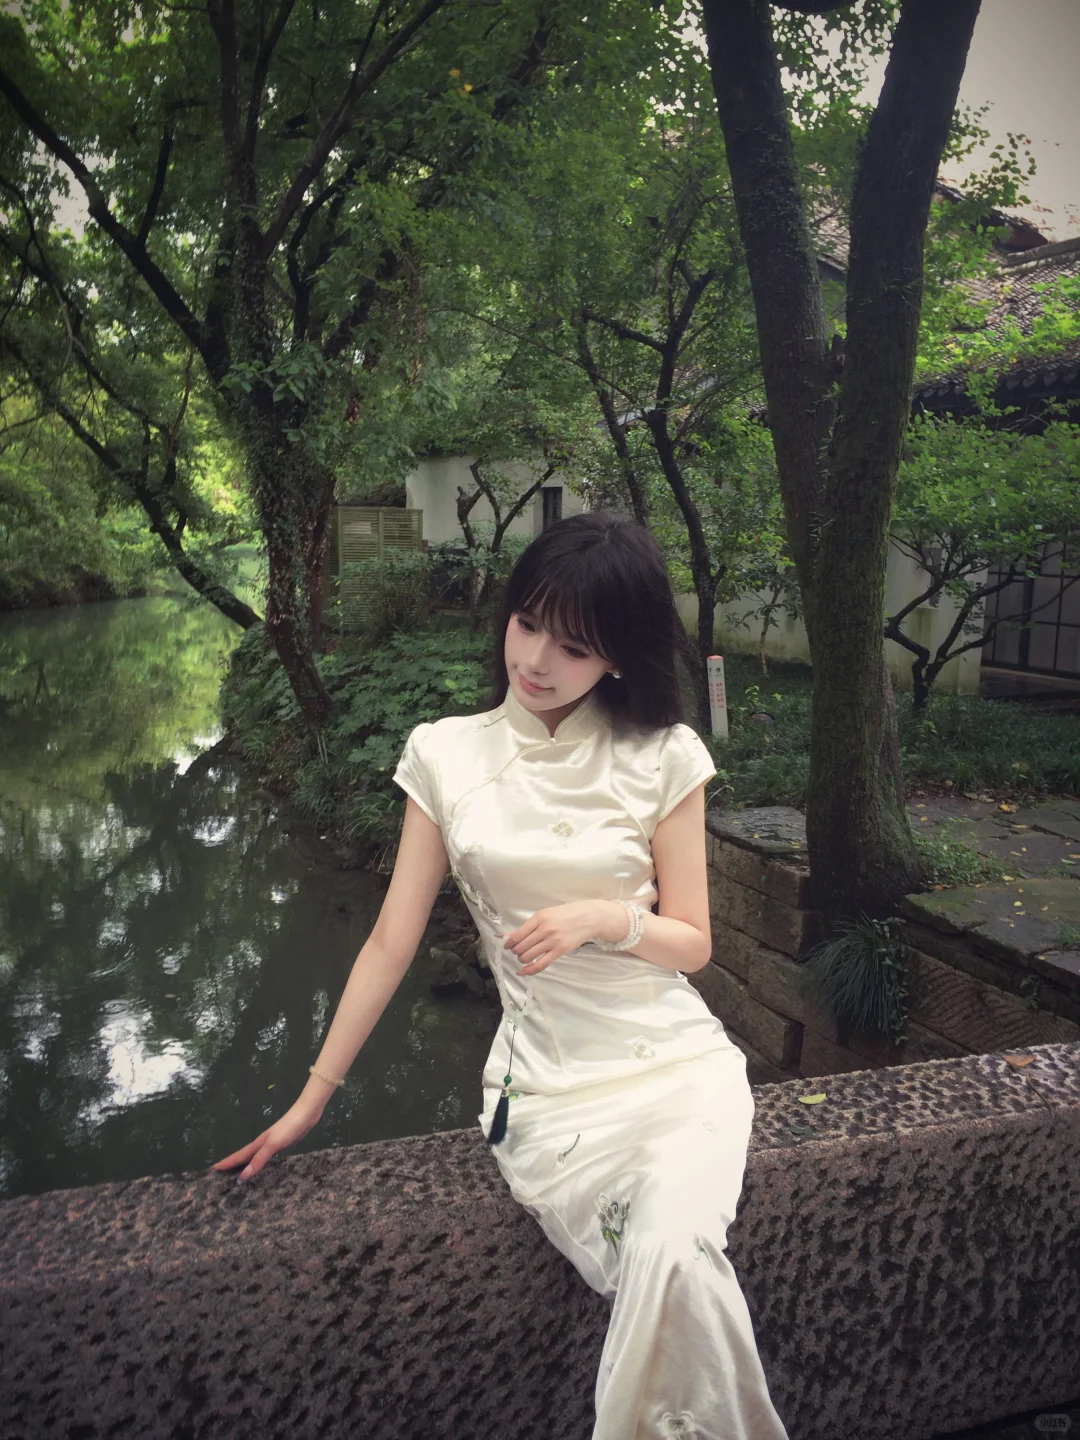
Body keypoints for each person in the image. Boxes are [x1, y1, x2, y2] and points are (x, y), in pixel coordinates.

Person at [211, 511, 789, 1440]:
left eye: (574, 646)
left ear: (618, 658)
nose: (537, 660)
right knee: (666, 1263)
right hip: (550, 1087)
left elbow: (693, 944)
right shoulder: (446, 753)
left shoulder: (664, 756)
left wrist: (607, 918)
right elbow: (390, 942)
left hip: (675, 1068)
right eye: (527, 624)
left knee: (676, 1248)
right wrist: (311, 1099)